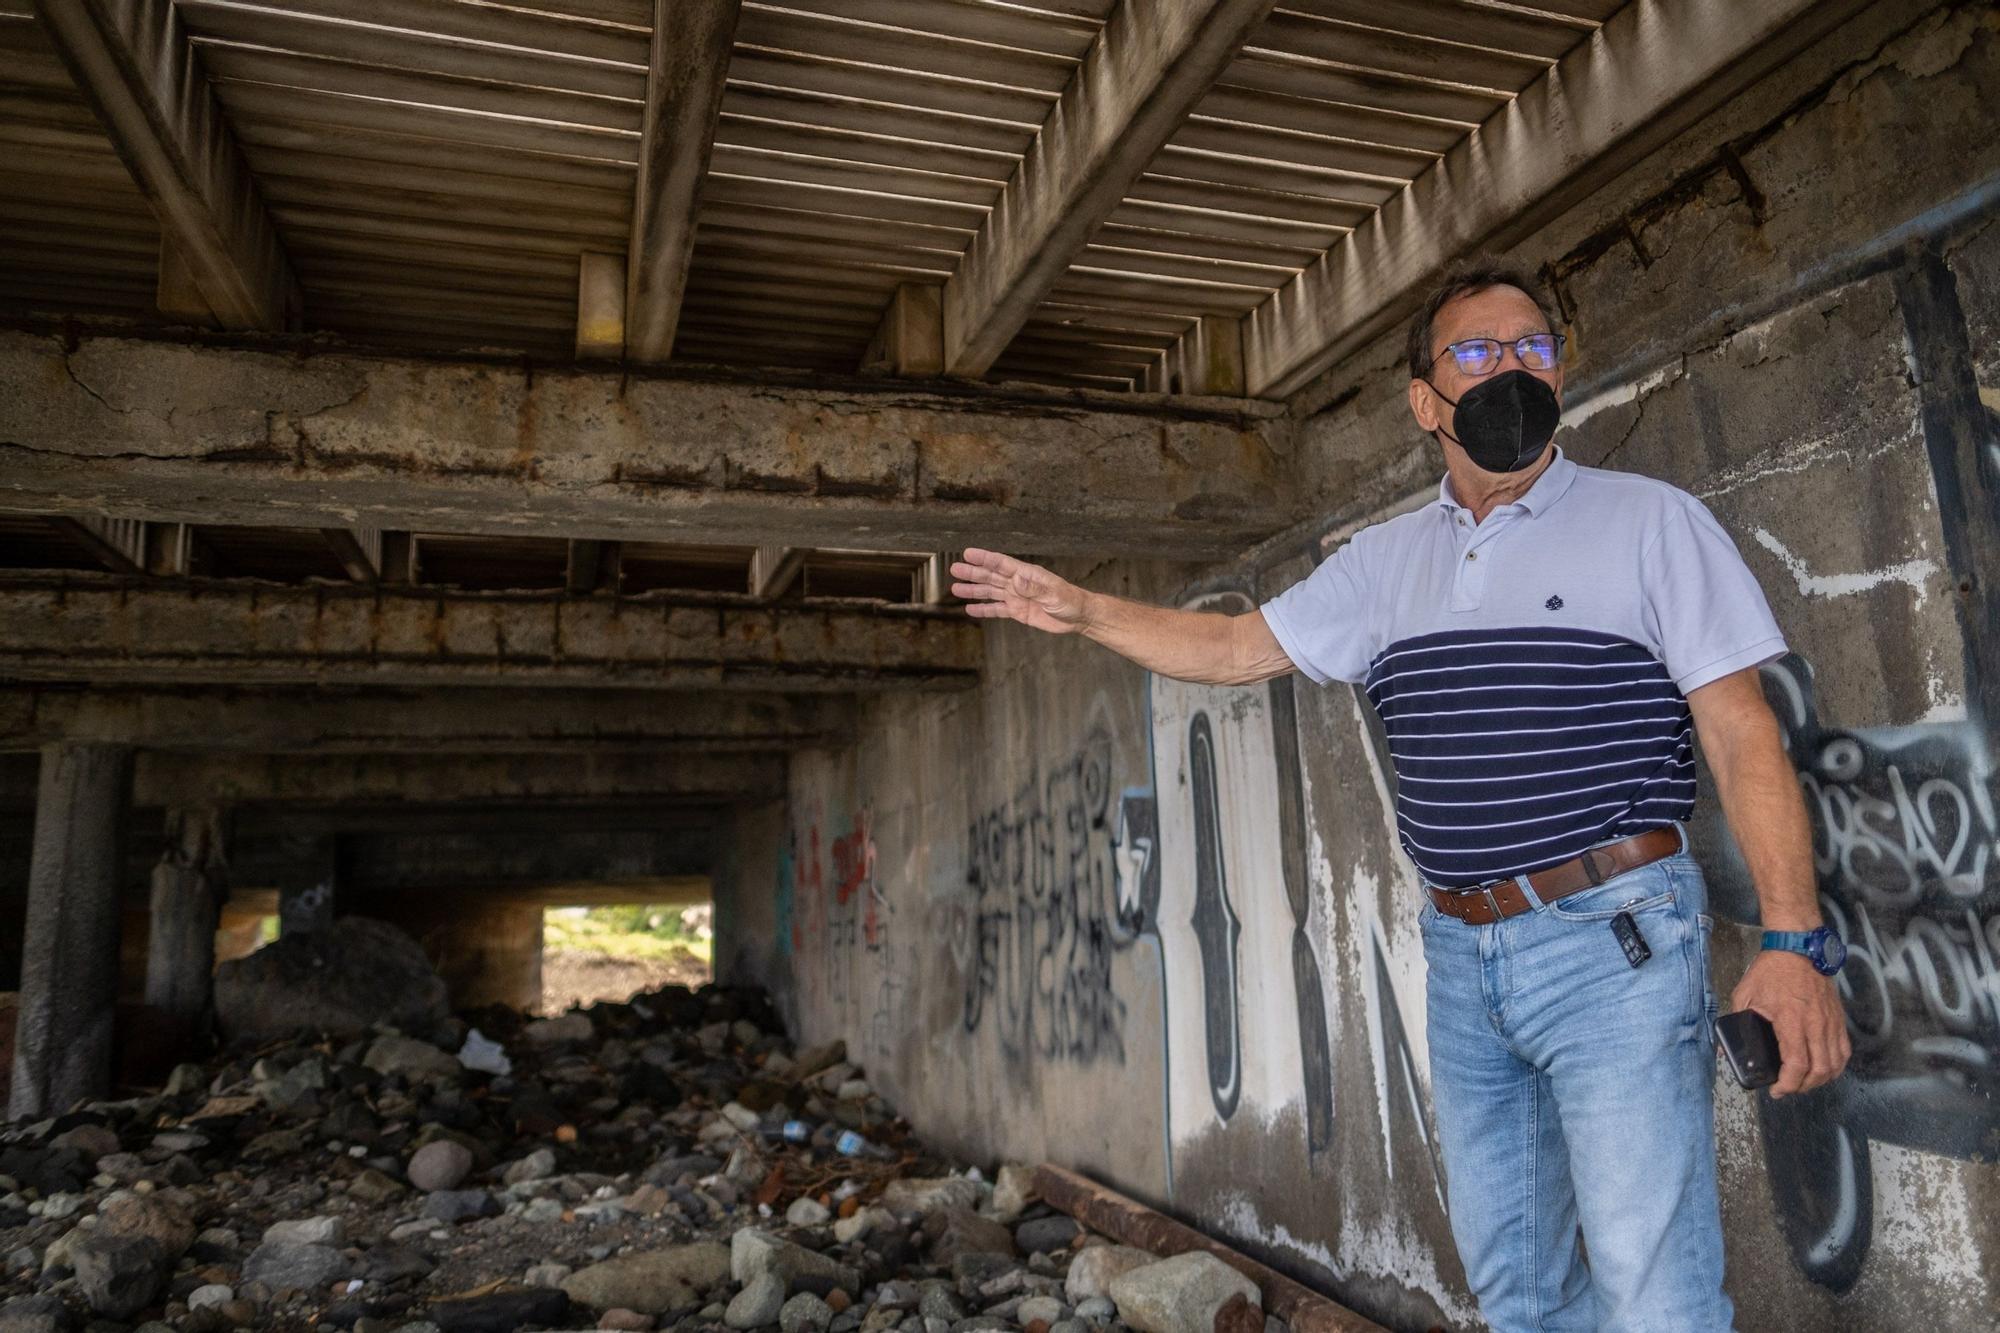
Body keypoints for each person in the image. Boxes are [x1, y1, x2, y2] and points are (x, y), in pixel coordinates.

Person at [950, 265, 1851, 1332]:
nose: (1510, 367)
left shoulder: (1649, 523)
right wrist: (1084, 609)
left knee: (1651, 1293)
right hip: (1464, 961)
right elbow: (1240, 649)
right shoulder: (1379, 564)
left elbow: (1743, 731)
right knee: (1517, 1289)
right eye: (1476, 352)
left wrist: (1793, 944)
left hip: (1613, 940)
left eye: (1532, 347)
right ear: (1425, 401)